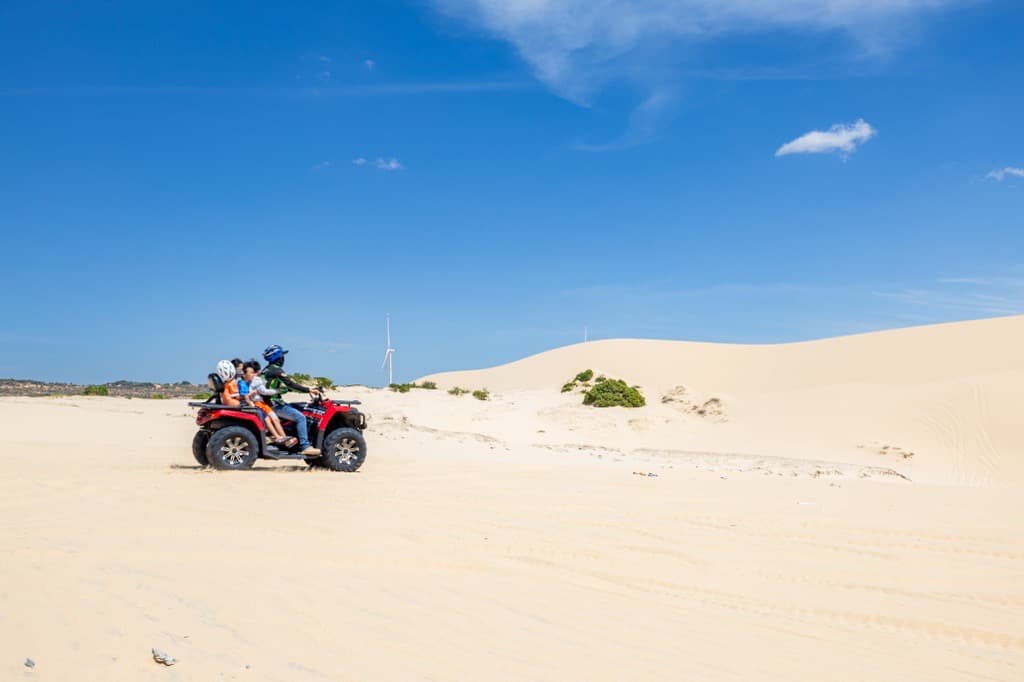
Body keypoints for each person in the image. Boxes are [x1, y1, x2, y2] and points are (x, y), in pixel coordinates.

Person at [260, 344, 321, 456]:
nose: (284, 358)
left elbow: (286, 387)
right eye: (282, 356)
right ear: (278, 357)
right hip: (274, 405)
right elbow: (291, 384)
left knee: (298, 407)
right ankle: (305, 446)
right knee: (301, 417)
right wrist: (309, 389)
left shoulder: (267, 370)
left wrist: (299, 389)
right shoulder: (276, 371)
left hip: (267, 404)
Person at [242, 360, 296, 446]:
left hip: (262, 404)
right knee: (271, 419)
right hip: (259, 404)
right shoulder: (255, 380)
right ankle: (281, 438)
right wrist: (277, 391)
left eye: (253, 372)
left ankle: (283, 438)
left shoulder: (253, 380)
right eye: (251, 372)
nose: (253, 374)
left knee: (274, 419)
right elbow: (264, 392)